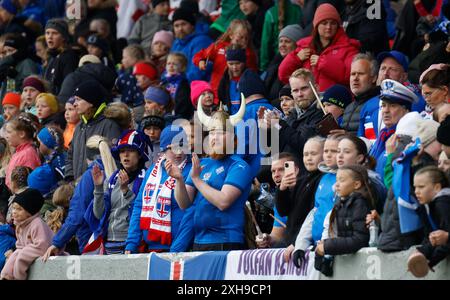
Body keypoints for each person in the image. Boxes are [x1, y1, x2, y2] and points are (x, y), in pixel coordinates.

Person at [169, 100, 253, 251]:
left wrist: (197, 180)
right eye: (212, 133)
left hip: (226, 241)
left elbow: (223, 202)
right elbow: (184, 204)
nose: (215, 137)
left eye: (220, 133)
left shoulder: (239, 166)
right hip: (199, 240)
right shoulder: (203, 163)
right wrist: (179, 180)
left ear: (233, 139)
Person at [42, 135, 113, 259]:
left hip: (93, 242)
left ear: (87, 157)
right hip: (116, 240)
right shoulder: (118, 171)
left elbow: (76, 217)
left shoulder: (88, 177)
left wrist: (57, 242)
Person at [125, 125, 192, 253]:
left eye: (182, 146)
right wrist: (132, 243)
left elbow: (190, 213)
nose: (178, 152)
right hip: (151, 248)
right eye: (172, 148)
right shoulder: (152, 171)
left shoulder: (191, 170)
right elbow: (139, 206)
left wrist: (176, 250)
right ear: (163, 151)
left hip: (177, 250)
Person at [85, 130, 151, 255]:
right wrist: (98, 188)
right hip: (109, 242)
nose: (125, 155)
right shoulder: (112, 179)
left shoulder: (148, 177)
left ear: (140, 154)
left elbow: (141, 211)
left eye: (131, 150)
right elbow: (99, 214)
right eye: (121, 151)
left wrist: (126, 191)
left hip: (132, 243)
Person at [278, 3, 360, 91]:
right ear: (316, 25)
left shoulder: (348, 48)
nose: (328, 27)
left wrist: (323, 62)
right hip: (307, 100)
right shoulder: (305, 46)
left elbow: (350, 76)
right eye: (324, 23)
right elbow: (283, 75)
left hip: (333, 102)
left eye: (333, 23)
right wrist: (296, 58)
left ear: (338, 26)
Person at [314, 165, 373, 273]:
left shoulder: (360, 205)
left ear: (356, 184)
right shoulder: (340, 204)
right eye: (336, 180)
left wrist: (328, 246)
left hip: (362, 268)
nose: (336, 184)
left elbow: (360, 240)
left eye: (341, 180)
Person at [262, 68, 324, 170]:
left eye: (304, 88)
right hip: (283, 176)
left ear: (316, 88)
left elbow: (302, 143)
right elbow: (273, 151)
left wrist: (279, 124)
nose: (300, 94)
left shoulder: (322, 113)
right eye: (295, 90)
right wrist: (269, 130)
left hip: (301, 177)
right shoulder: (292, 116)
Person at [276, 137, 325, 260]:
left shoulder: (323, 179)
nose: (308, 158)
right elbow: (283, 211)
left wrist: (296, 242)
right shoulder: (302, 180)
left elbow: (312, 216)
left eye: (313, 154)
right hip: (292, 241)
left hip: (305, 244)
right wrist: (282, 189)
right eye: (305, 154)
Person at [65, 80, 122, 182]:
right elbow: (70, 155)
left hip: (99, 188)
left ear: (90, 102)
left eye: (78, 99)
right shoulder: (79, 126)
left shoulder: (109, 125)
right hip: (78, 187)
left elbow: (115, 159)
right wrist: (70, 178)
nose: (74, 104)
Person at [193, 19, 257, 100]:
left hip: (236, 94)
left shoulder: (249, 53)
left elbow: (252, 74)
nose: (243, 41)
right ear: (231, 35)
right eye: (239, 38)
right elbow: (200, 55)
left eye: (246, 38)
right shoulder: (219, 47)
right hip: (216, 93)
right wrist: (200, 61)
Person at [370, 79, 418, 180]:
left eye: (392, 106)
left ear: (406, 110)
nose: (386, 111)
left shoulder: (407, 138)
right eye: (383, 105)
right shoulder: (383, 136)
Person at [0, 188, 53, 280]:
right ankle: (6, 276)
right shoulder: (20, 225)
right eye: (13, 208)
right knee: (14, 256)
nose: (14, 212)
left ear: (30, 212)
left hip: (47, 252)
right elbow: (20, 246)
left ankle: (19, 278)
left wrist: (23, 251)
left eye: (19, 209)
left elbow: (42, 246)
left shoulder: (37, 223)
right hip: (30, 251)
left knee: (21, 255)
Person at [408, 166, 450, 278]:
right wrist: (422, 252)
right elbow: (433, 236)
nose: (416, 192)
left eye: (421, 187)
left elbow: (445, 238)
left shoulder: (443, 204)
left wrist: (431, 261)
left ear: (437, 187)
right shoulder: (428, 206)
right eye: (415, 187)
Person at [264, 24, 306, 102]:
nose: (282, 45)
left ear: (296, 45)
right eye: (281, 41)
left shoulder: (301, 65)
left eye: (287, 41)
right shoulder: (274, 63)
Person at [170, 7, 213, 82]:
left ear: (192, 25)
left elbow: (198, 72)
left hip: (197, 87)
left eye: (183, 24)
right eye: (176, 26)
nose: (180, 29)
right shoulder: (176, 43)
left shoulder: (202, 41)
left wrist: (178, 83)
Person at [260, 0, 302, 71]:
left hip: (277, 59)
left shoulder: (271, 13)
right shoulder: (298, 10)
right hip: (298, 57)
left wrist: (263, 67)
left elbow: (265, 42)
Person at [4, 113, 40, 190]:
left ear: (22, 134)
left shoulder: (28, 154)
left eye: (9, 132)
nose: (6, 136)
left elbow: (27, 184)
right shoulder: (19, 151)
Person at [27, 126, 65, 198]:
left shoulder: (59, 161)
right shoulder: (50, 157)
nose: (36, 145)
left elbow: (64, 182)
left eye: (39, 142)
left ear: (47, 142)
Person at [43, 19, 79, 95]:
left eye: (54, 33)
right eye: (47, 33)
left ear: (64, 37)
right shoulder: (50, 57)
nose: (50, 37)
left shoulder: (69, 57)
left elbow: (69, 86)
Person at [161, 52, 193, 120]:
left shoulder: (183, 84)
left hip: (178, 117)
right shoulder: (163, 82)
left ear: (182, 68)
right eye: (169, 63)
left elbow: (183, 103)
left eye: (174, 64)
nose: (171, 66)